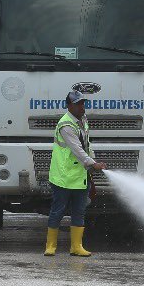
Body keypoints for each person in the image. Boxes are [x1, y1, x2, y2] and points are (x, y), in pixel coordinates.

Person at [45, 89, 106, 257]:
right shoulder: (66, 125)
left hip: (80, 176)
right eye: (78, 104)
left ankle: (76, 247)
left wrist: (93, 161)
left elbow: (86, 144)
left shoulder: (82, 120)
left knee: (79, 212)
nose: (82, 107)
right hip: (63, 176)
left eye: (83, 104)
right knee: (57, 211)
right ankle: (50, 246)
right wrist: (92, 164)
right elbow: (77, 149)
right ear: (69, 106)